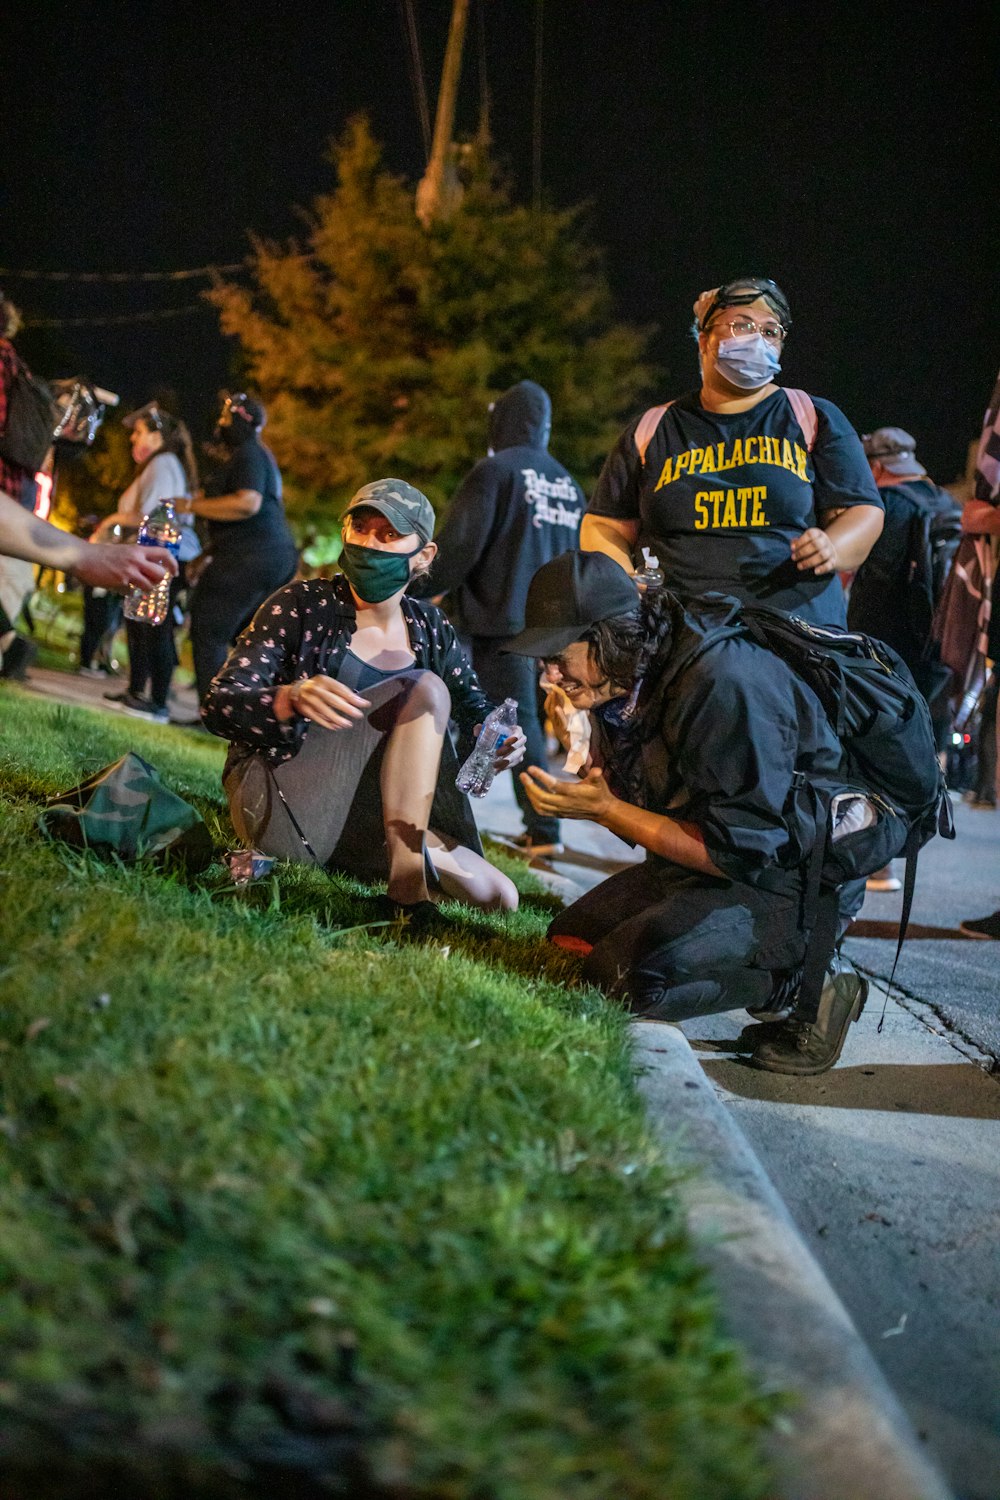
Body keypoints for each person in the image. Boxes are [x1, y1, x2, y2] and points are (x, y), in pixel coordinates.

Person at [507, 550, 869, 1076]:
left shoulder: (722, 683)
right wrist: (600, 774)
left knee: (619, 981)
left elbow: (738, 851)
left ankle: (807, 979)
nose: (548, 675)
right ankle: (778, 964)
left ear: (609, 637)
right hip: (705, 863)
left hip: (788, 879)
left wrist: (606, 811)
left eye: (558, 656)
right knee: (569, 940)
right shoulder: (630, 677)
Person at [202, 479, 524, 921]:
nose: (369, 544)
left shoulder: (430, 627)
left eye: (389, 535)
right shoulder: (301, 605)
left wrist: (497, 738)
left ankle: (388, 862)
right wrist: (288, 699)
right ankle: (408, 897)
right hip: (288, 803)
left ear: (423, 556)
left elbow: (474, 711)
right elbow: (219, 703)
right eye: (360, 528)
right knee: (426, 688)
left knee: (499, 895)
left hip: (374, 819)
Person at [581, 276, 884, 626]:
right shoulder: (653, 428)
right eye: (742, 324)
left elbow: (863, 511)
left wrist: (833, 546)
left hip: (792, 633)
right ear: (705, 340)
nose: (758, 339)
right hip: (679, 632)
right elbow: (604, 524)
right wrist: (624, 581)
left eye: (771, 331)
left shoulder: (812, 416)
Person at [409, 380, 584, 857]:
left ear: (501, 420)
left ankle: (514, 824)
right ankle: (489, 813)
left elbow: (459, 546)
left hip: (504, 619)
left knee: (503, 722)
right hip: (555, 624)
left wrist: (410, 584)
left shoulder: (495, 472)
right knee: (521, 720)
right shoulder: (566, 482)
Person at [91, 401, 201, 721]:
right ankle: (138, 692)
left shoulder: (163, 464)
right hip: (154, 555)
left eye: (138, 432)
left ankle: (157, 702)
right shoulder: (159, 465)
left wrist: (112, 519)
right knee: (138, 623)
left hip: (165, 556)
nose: (132, 439)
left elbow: (155, 515)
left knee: (155, 627)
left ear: (156, 437)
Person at [187, 393, 298, 703]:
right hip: (273, 554)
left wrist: (191, 505)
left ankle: (214, 713)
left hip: (252, 556)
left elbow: (247, 503)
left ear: (242, 419)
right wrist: (206, 554)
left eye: (226, 416)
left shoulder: (248, 453)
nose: (221, 424)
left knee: (209, 628)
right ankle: (262, 708)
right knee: (250, 638)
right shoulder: (259, 455)